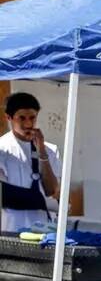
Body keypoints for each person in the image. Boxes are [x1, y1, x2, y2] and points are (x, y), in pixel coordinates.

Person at [0, 92, 61, 234]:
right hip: (9, 229)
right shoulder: (2, 150)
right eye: (22, 118)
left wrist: (42, 152)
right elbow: (5, 196)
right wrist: (37, 200)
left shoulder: (50, 150)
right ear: (9, 118)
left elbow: (51, 190)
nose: (28, 124)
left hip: (42, 231)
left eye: (32, 118)